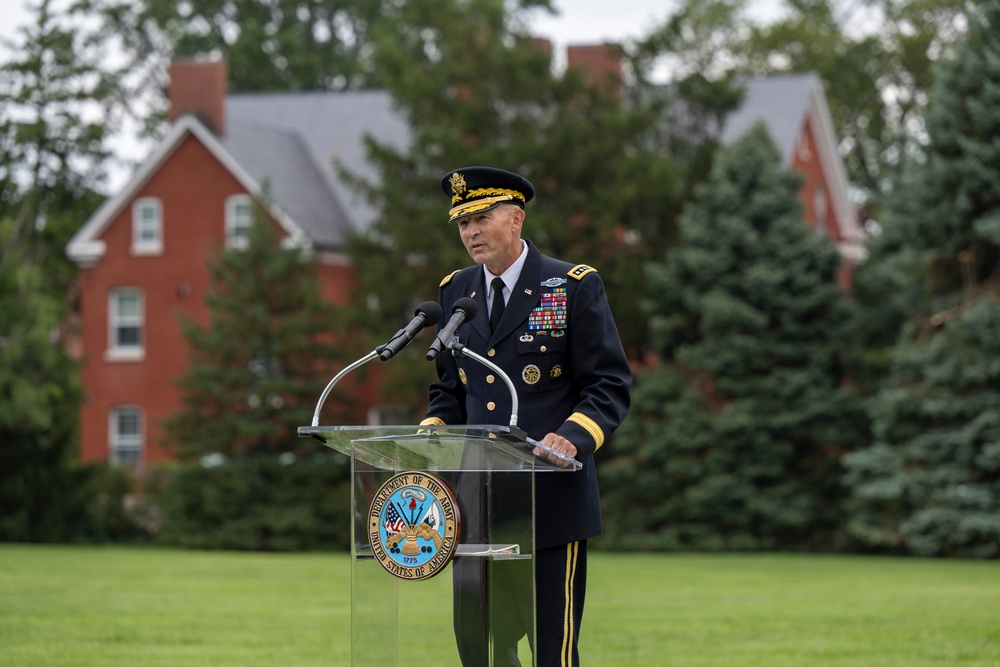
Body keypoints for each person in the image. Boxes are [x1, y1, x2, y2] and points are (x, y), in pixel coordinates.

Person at [419, 166, 632, 666]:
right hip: (474, 504)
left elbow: (609, 383)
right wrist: (432, 430)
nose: (470, 232)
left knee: (550, 654)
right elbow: (450, 387)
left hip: (550, 499)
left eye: (480, 218)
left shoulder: (572, 285)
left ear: (515, 219)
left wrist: (571, 437)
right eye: (462, 222)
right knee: (480, 652)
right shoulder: (456, 293)